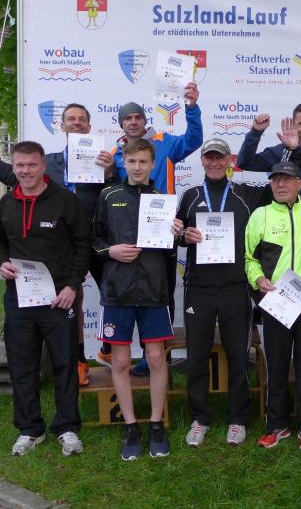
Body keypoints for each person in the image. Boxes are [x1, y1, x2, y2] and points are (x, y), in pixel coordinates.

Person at [0, 103, 114, 387]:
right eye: (71, 119)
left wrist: (111, 172)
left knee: (113, 293)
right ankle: (79, 361)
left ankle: (110, 347)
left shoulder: (102, 161)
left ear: (89, 126)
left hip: (94, 239)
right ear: (62, 126)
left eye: (82, 120)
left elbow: (119, 192)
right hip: (60, 245)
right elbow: (11, 174)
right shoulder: (49, 162)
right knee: (74, 301)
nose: (77, 123)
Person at [0, 140, 91, 457]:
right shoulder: (6, 204)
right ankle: (30, 429)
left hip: (59, 298)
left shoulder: (66, 201)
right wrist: (1, 263)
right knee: (22, 364)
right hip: (19, 299)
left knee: (65, 363)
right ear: (14, 167)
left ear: (43, 166)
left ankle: (67, 427)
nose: (25, 171)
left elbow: (83, 245)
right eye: (19, 165)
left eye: (31, 164)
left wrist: (72, 286)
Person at [176, 138, 271, 447]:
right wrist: (184, 236)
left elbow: (281, 183)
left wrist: (266, 141)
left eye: (220, 157)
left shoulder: (245, 194)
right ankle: (200, 418)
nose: (215, 162)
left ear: (230, 160)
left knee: (238, 357)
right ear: (202, 161)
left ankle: (237, 418)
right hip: (199, 289)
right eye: (210, 157)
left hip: (235, 288)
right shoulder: (190, 195)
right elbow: (175, 234)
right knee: (197, 355)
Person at [92, 138, 183, 460]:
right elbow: (94, 241)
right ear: (123, 162)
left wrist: (176, 233)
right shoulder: (108, 195)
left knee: (156, 358)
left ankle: (156, 424)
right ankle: (131, 426)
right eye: (132, 161)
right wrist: (111, 251)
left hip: (153, 290)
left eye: (143, 161)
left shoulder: (163, 200)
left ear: (152, 164)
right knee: (119, 361)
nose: (137, 167)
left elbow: (171, 249)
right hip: (117, 291)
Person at [109, 86, 203, 376]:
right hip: (130, 234)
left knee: (161, 293)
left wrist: (191, 108)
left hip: (163, 230)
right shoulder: (115, 154)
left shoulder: (165, 142)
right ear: (121, 124)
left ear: (144, 120)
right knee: (132, 293)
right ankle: (133, 352)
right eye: (128, 118)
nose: (133, 122)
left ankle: (157, 354)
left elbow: (194, 139)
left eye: (137, 117)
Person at [244, 161, 301, 450]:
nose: (280, 184)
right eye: (275, 180)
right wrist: (258, 279)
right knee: (277, 365)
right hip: (277, 304)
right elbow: (250, 259)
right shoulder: (260, 215)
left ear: (300, 183)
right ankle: (277, 425)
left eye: (286, 179)